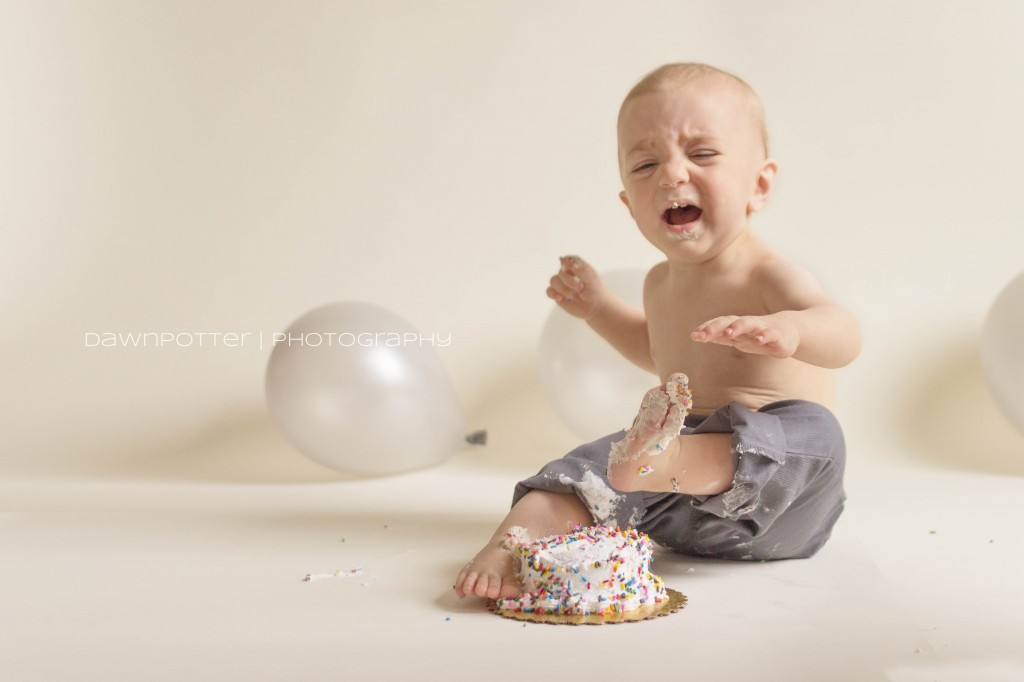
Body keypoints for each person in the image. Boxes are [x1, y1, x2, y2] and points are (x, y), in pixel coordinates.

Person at [454, 63, 861, 600]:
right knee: (596, 464)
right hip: (680, 512)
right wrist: (597, 308)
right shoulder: (658, 284)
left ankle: (665, 462)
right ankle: (514, 543)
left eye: (702, 154)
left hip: (786, 507)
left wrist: (790, 329)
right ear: (629, 204)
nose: (671, 175)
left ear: (759, 184)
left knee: (817, 433)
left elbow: (845, 335)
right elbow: (656, 349)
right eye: (646, 164)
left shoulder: (769, 274)